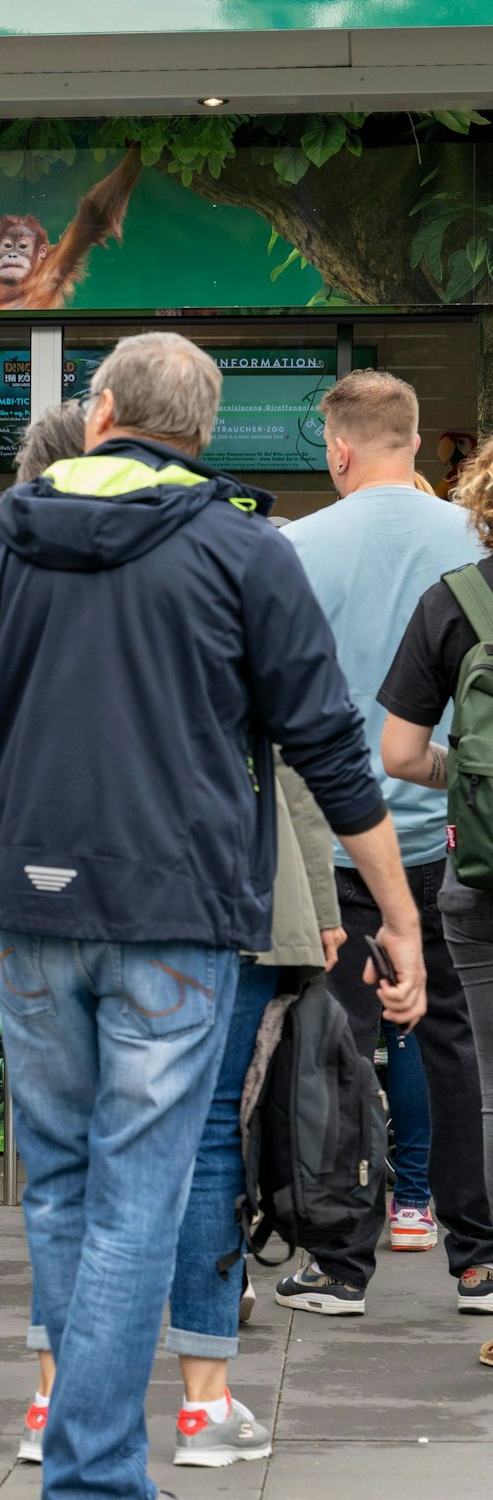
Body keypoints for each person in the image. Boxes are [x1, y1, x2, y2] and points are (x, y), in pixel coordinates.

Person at [0, 331, 424, 1500]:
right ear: (202, 432)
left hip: (31, 910)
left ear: (99, 414)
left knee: (59, 1185)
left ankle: (79, 1450)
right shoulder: (242, 549)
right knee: (139, 1191)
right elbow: (329, 753)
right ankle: (92, 1474)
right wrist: (393, 911)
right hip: (181, 915)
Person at [3, 408, 339, 1470]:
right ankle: (196, 1403)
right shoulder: (227, 549)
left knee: (59, 1171)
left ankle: (54, 1400)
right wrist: (328, 902)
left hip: (45, 892)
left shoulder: (8, 562)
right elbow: (295, 744)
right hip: (205, 899)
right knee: (185, 1154)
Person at [279, 368, 493, 1315]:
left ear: (339, 449)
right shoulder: (474, 543)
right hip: (456, 839)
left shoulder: (293, 547)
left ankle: (338, 1264)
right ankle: (477, 1257)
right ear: (414, 438)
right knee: (456, 1044)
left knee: (334, 1046)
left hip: (335, 844)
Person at [377, 439, 493, 1346]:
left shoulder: (455, 600)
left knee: (486, 1085)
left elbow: (400, 755)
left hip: (482, 876)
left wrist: (470, 780)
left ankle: (490, 1272)